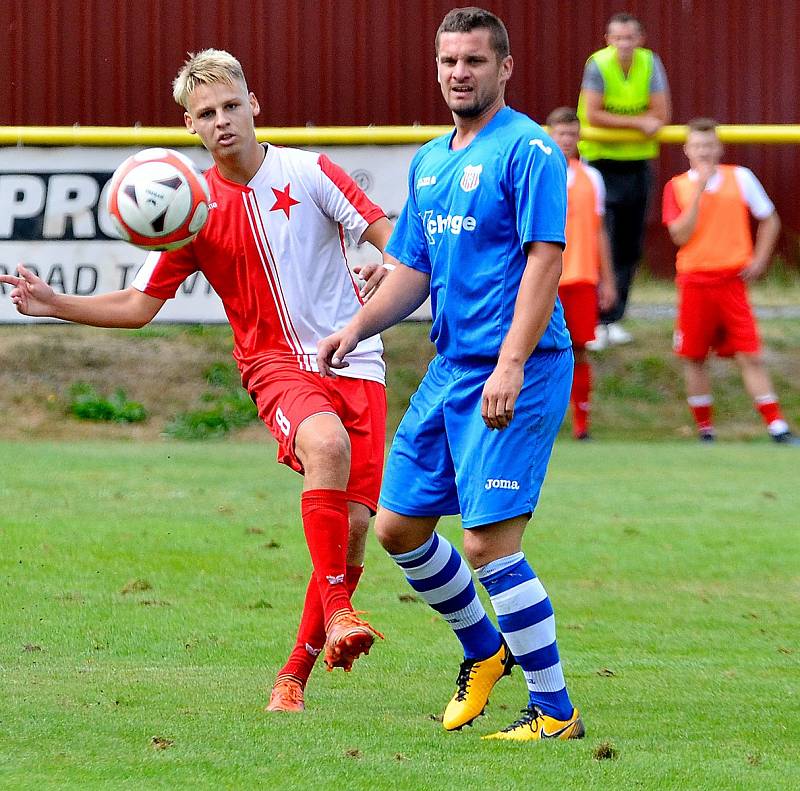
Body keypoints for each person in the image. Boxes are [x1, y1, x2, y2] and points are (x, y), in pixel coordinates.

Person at [0, 49, 395, 712]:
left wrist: (393, 263)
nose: (222, 121)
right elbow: (137, 304)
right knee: (325, 447)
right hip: (276, 367)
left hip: (358, 359)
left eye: (230, 106)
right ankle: (339, 611)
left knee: (357, 527)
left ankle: (292, 676)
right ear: (190, 126)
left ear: (253, 105)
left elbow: (390, 234)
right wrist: (55, 303)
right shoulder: (192, 208)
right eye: (205, 113)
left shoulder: (312, 171)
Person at [319, 8, 584, 742]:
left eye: (474, 60)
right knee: (398, 526)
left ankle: (556, 711)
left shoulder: (528, 150)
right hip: (449, 368)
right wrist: (356, 325)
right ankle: (484, 650)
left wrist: (511, 361)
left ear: (504, 69)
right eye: (448, 62)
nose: (459, 73)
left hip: (517, 368)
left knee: (488, 545)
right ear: (436, 69)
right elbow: (413, 271)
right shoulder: (431, 160)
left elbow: (545, 259)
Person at [662, 117, 797, 444]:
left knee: (749, 352)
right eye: (697, 146)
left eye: (709, 145)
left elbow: (769, 218)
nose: (704, 152)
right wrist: (699, 193)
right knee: (694, 355)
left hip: (731, 280)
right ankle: (705, 429)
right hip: (695, 281)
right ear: (687, 150)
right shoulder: (677, 186)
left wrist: (760, 259)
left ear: (719, 147)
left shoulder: (741, 178)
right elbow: (679, 235)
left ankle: (776, 425)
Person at [577, 12, 671, 349]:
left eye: (630, 37)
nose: (624, 44)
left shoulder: (650, 63)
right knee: (602, 240)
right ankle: (594, 318)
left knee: (629, 243)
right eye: (617, 38)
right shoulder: (598, 64)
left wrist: (642, 123)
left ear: (640, 38)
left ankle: (614, 317)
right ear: (607, 39)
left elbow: (661, 115)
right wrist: (637, 124)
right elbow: (592, 113)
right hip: (601, 160)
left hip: (637, 162)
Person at [547, 107, 616, 439]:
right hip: (545, 279)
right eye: (560, 133)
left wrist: (609, 279)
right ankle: (538, 418)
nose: (566, 140)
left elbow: (599, 230)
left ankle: (581, 422)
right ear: (550, 135)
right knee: (530, 348)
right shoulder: (537, 172)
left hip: (582, 276)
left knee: (579, 348)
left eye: (572, 134)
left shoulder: (592, 178)